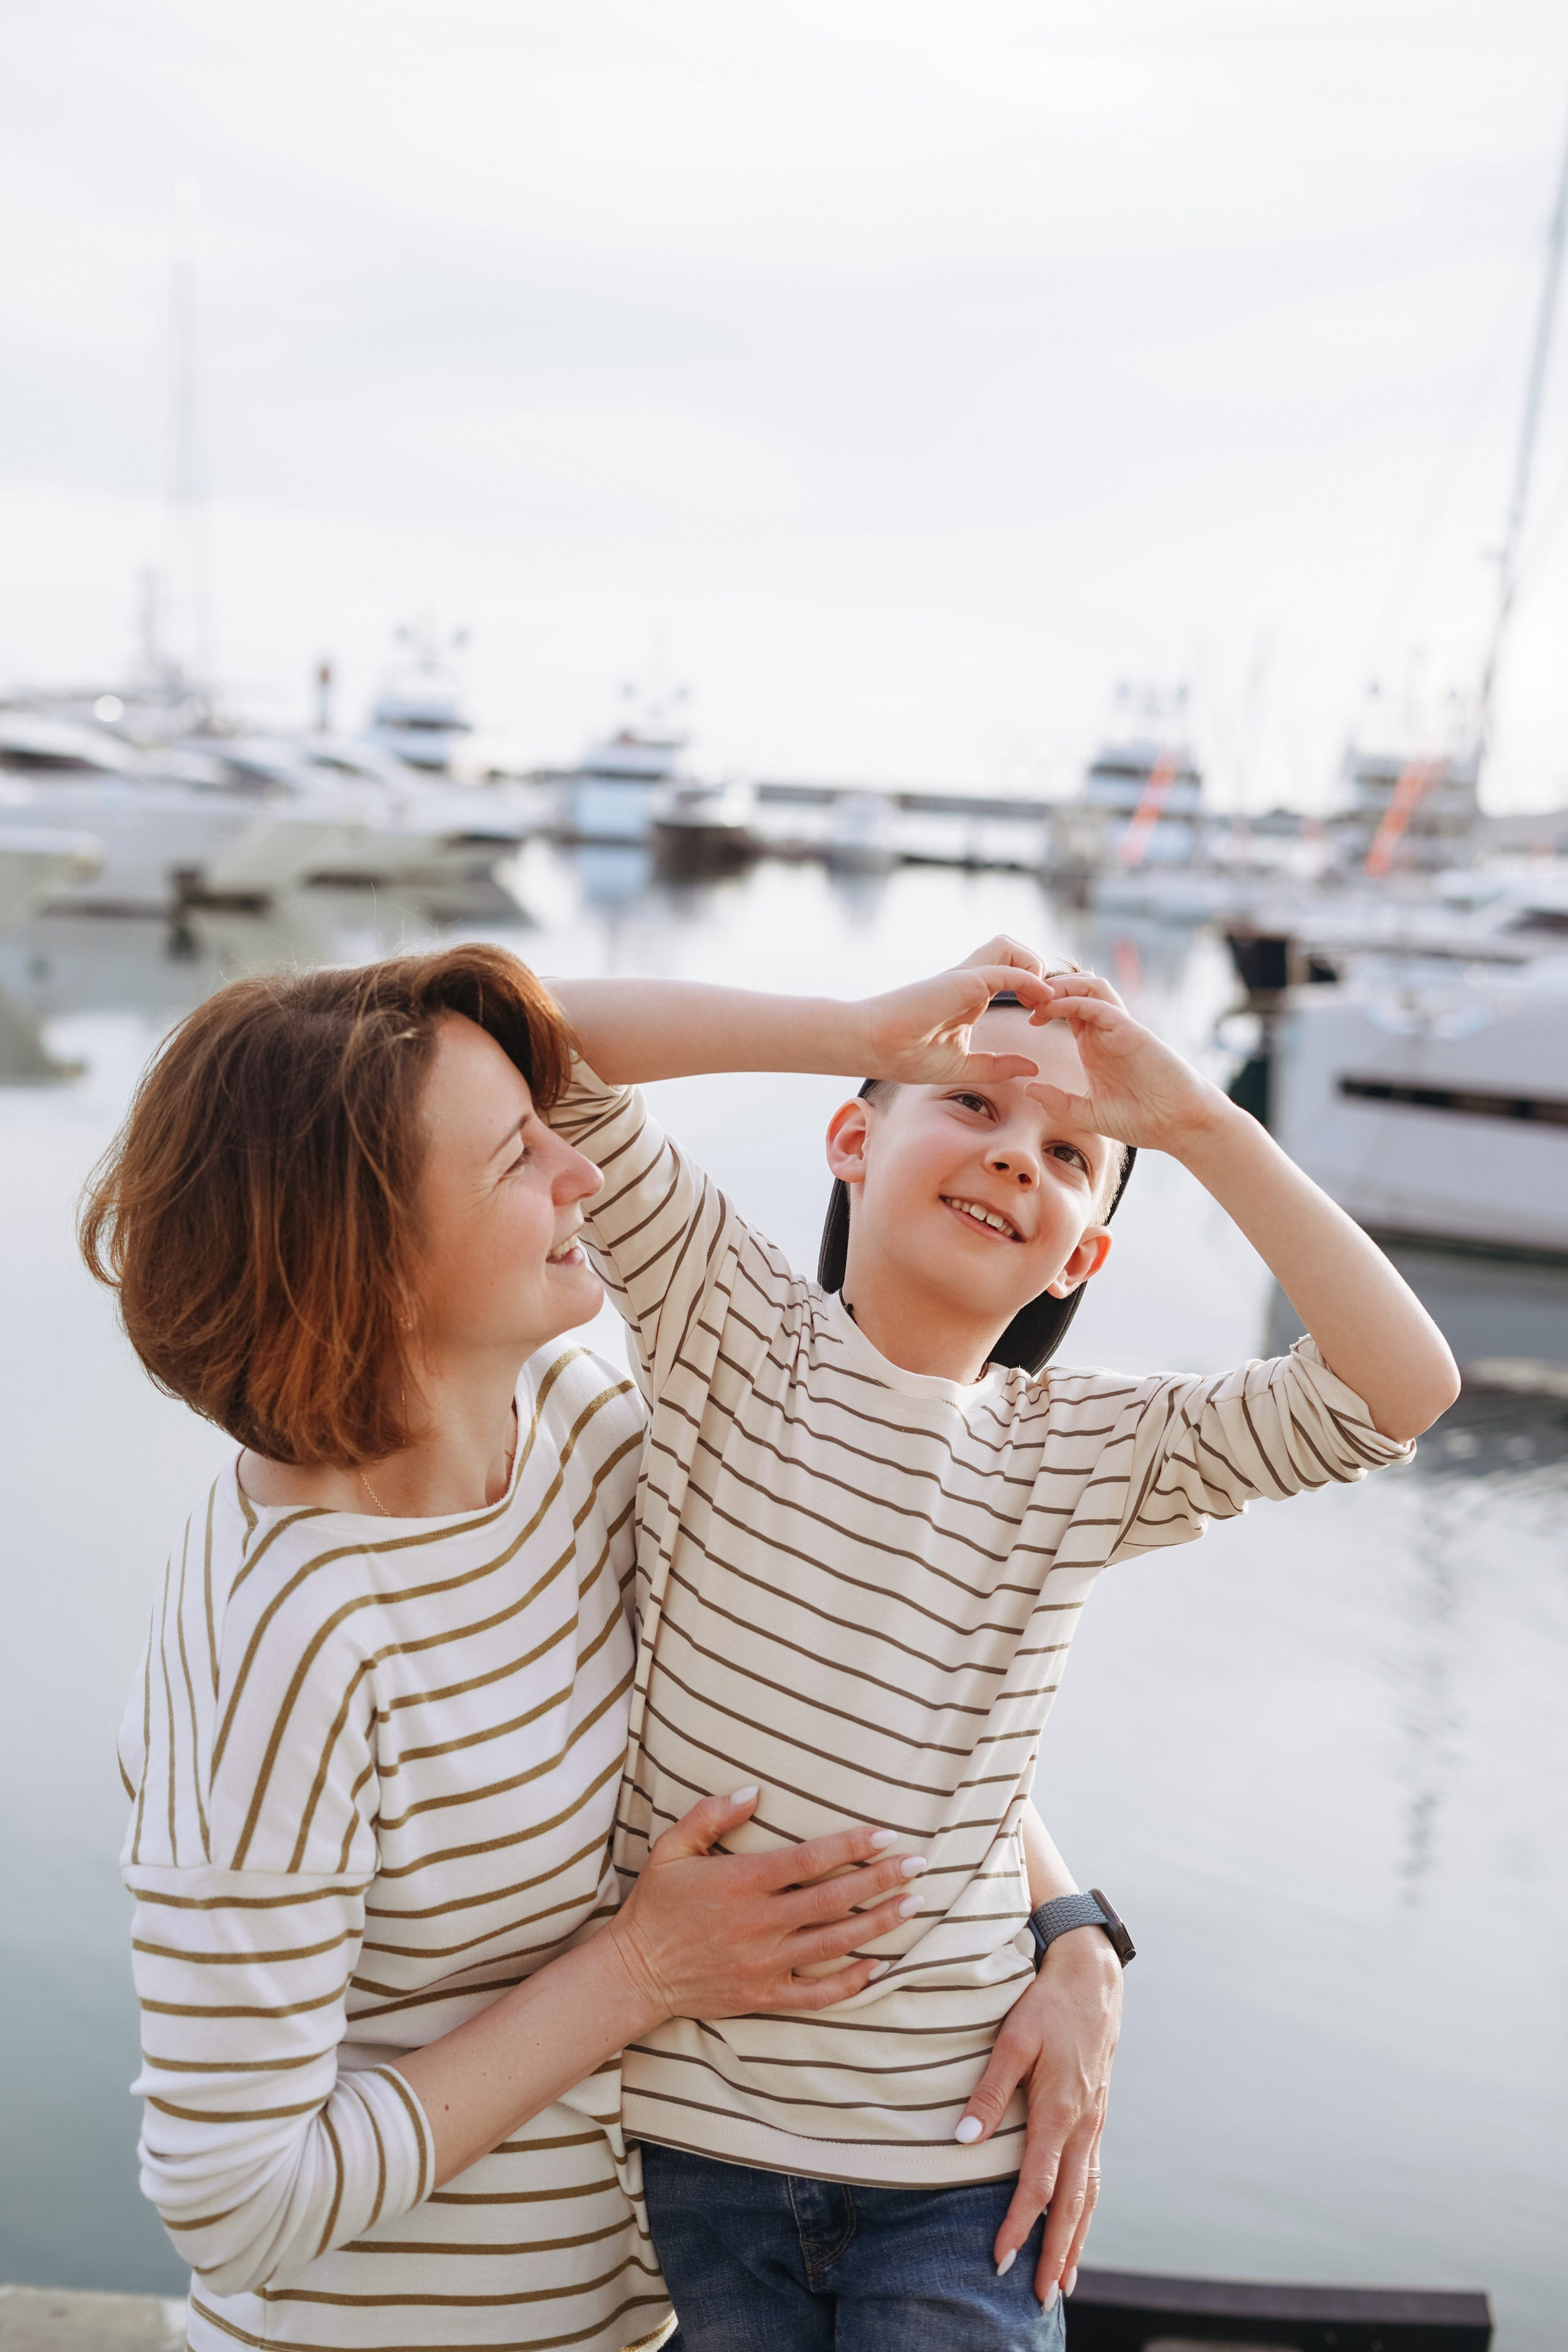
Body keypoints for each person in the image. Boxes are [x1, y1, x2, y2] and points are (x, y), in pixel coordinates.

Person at [83, 942, 1114, 2352]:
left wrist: (1069, 1937)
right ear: (369, 1258)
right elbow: (233, 2203)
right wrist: (637, 1976)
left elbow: (834, 1661)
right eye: (516, 1161)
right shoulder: (282, 1646)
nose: (577, 1172)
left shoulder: (566, 1418)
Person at [542, 938, 1461, 2349]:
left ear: (1080, 1253)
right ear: (855, 1138)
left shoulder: (1085, 1452)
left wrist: (1200, 1127)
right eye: (968, 1103)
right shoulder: (729, 1328)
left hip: (956, 2169)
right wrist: (859, 1023)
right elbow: (545, 1041)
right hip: (697, 2149)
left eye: (1072, 1151)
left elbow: (1396, 1387)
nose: (1017, 1155)